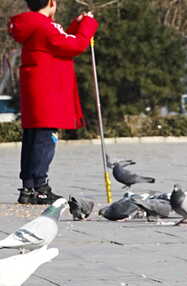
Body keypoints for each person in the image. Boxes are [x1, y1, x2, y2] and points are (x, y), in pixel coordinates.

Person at [9, 0, 99, 204]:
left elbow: (58, 41)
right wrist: (87, 25)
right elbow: (73, 45)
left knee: (32, 137)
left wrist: (76, 26)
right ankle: (40, 186)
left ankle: (28, 188)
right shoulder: (44, 26)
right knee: (45, 139)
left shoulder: (34, 26)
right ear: (51, 2)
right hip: (49, 90)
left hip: (36, 89)